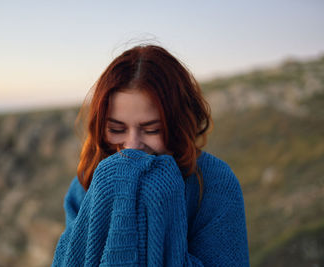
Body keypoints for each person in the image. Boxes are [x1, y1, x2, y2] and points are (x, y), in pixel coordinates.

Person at [51, 44, 249, 266]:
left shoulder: (215, 183)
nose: (133, 145)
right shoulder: (88, 182)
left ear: (178, 124)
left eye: (152, 129)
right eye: (117, 129)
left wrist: (159, 196)